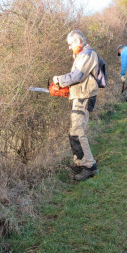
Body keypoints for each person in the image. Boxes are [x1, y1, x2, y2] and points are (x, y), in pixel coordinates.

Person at [52, 30, 99, 181]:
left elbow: (78, 75)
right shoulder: (82, 55)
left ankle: (90, 167)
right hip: (79, 96)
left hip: (84, 98)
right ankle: (80, 162)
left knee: (78, 132)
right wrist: (68, 89)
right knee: (73, 132)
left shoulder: (87, 54)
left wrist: (59, 80)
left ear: (79, 41)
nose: (69, 47)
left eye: (70, 44)